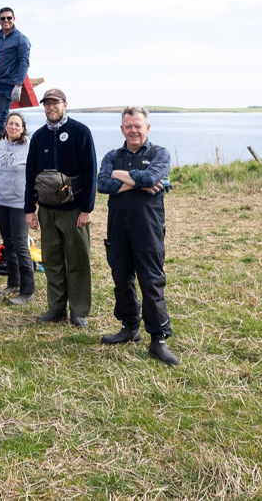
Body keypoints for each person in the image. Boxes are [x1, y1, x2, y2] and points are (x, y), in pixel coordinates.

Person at [98, 106, 179, 366]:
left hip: (148, 230)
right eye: (128, 126)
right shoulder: (113, 154)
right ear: (122, 129)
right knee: (121, 278)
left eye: (138, 126)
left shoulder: (159, 153)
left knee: (151, 282)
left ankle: (159, 340)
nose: (133, 130)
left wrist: (120, 176)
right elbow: (101, 183)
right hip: (117, 229)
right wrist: (138, 182)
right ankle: (130, 327)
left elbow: (153, 177)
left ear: (147, 128)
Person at [24, 89, 97, 328]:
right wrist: (29, 209)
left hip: (74, 209)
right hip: (47, 210)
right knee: (52, 259)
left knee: (77, 260)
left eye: (55, 103)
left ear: (65, 105)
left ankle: (78, 311)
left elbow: (90, 171)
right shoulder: (39, 137)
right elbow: (30, 175)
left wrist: (87, 208)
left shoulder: (80, 132)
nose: (50, 108)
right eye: (47, 104)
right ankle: (56, 307)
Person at [0, 112, 35, 305]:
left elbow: (35, 172)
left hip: (19, 203)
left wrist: (33, 202)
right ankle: (13, 283)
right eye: (10, 124)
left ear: (22, 127)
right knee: (8, 243)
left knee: (20, 245)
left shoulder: (29, 146)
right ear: (6, 126)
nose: (13, 127)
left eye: (17, 125)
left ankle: (27, 290)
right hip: (1, 200)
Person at [0, 7, 31, 138]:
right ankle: (7, 137)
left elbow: (24, 62)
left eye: (9, 18)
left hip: (7, 83)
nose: (6, 20)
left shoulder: (21, 39)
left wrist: (18, 85)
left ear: (14, 19)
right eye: (3, 18)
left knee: (0, 115)